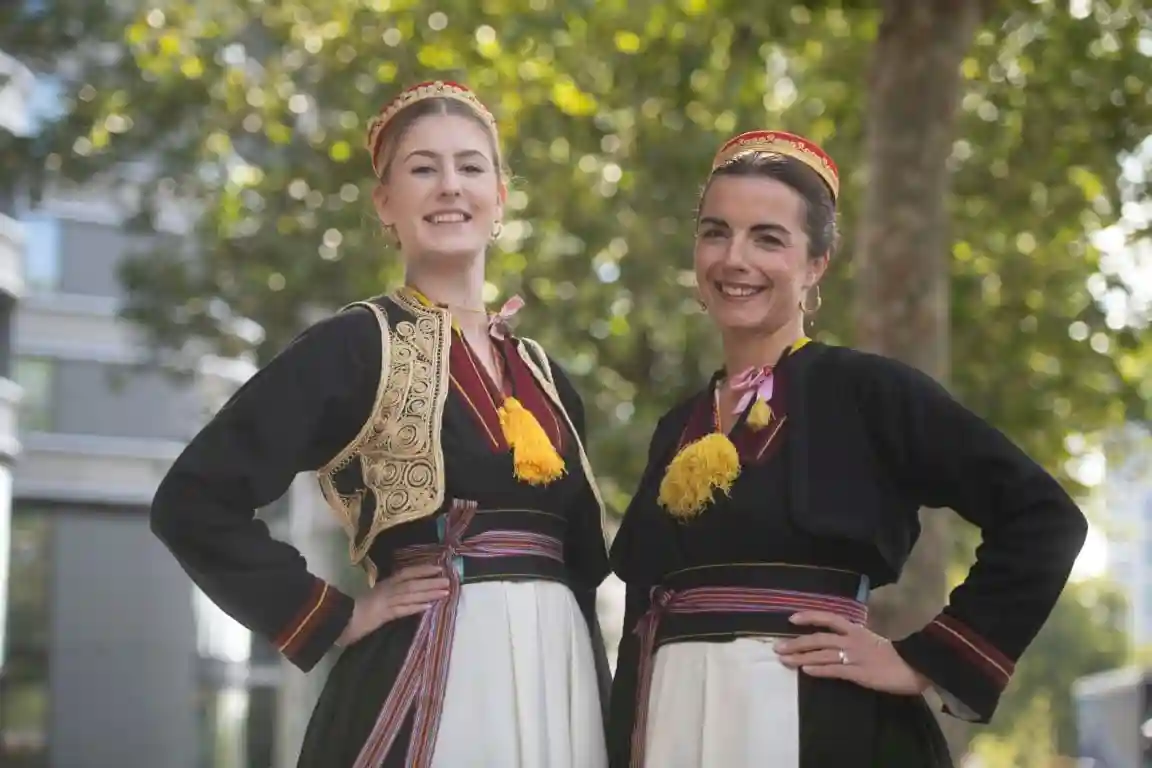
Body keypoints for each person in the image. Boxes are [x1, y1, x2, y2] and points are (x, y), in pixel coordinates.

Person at [150, 80, 611, 768]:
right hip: (428, 671)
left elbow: (583, 562)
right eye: (423, 168)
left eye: (470, 167)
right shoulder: (355, 346)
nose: (449, 186)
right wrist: (334, 614)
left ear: (499, 198)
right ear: (385, 204)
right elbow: (193, 500)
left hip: (561, 677)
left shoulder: (546, 376)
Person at [605, 129, 1088, 767]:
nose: (734, 258)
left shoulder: (869, 392)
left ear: (816, 264)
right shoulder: (679, 426)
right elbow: (642, 612)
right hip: (672, 725)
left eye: (768, 238)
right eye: (716, 233)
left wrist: (924, 659)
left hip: (820, 729)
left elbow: (1043, 518)